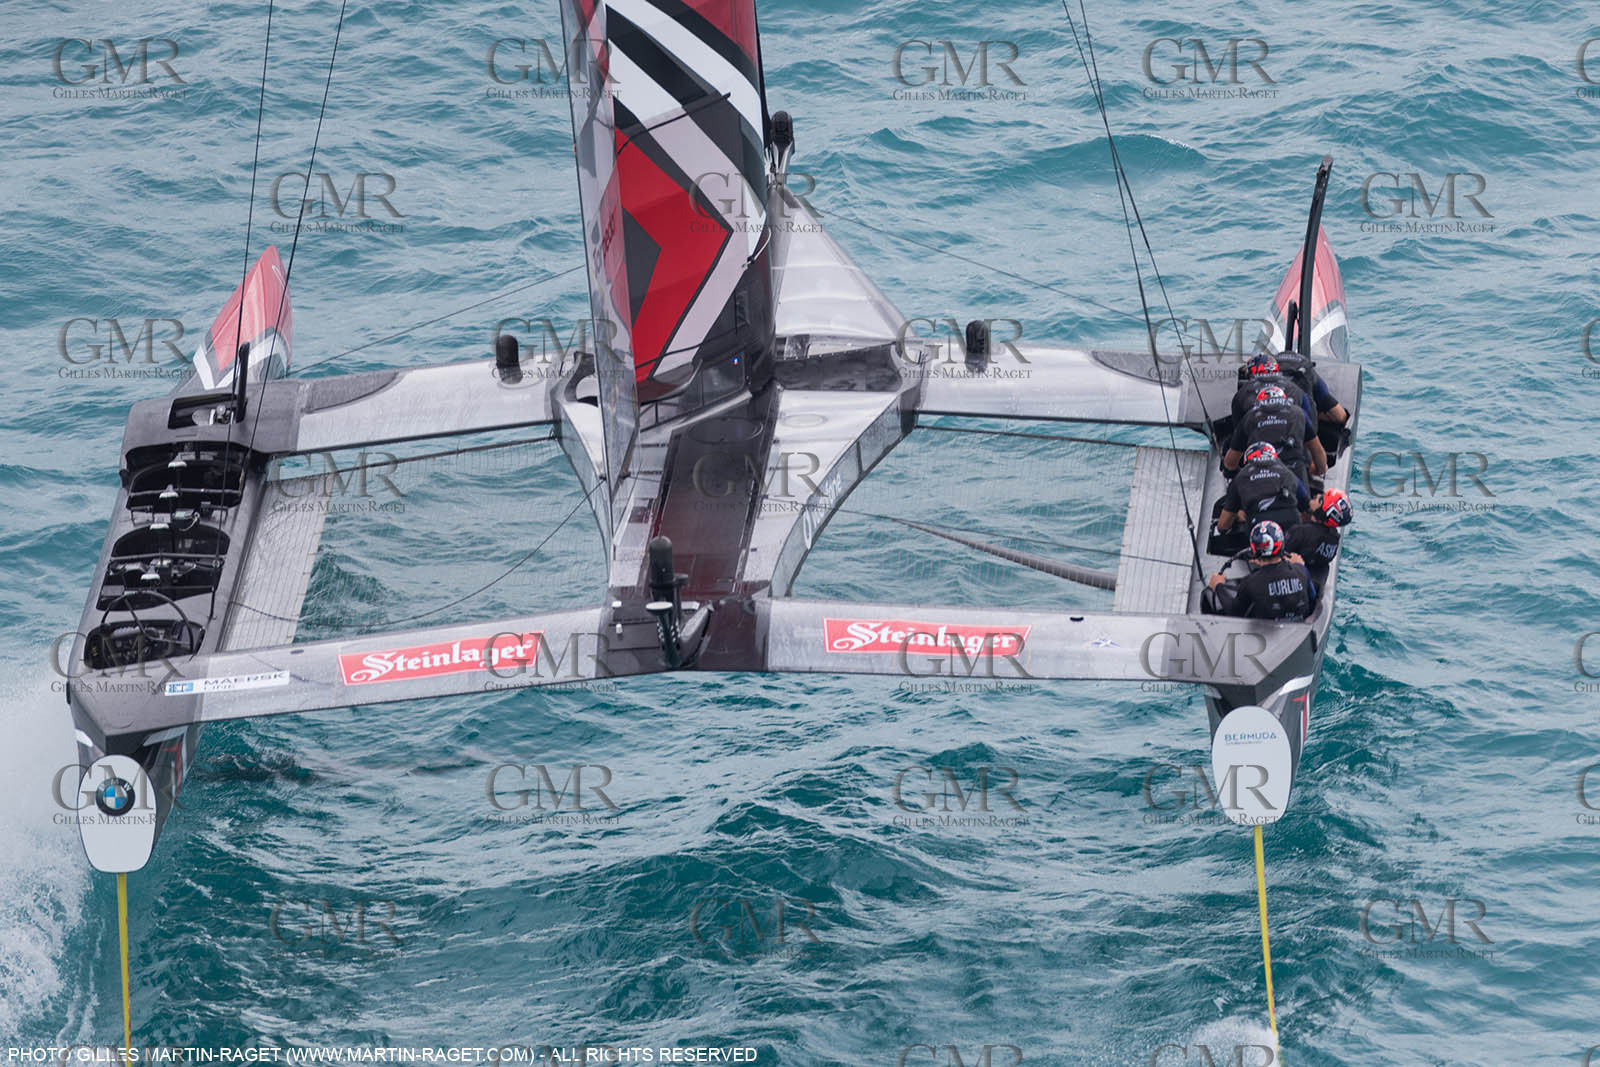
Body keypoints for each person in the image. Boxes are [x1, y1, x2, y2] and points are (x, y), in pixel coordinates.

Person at [1205, 520, 1317, 621]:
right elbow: (1313, 598)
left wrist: (1218, 586)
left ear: (1254, 550)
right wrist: (1298, 566)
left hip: (1266, 634)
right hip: (1299, 630)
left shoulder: (1251, 582)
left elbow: (1235, 612)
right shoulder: (1301, 570)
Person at [1223, 385, 1328, 488]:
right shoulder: (1299, 414)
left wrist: (1235, 475)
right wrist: (1319, 470)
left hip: (1258, 478)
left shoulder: (1249, 418)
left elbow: (1231, 462)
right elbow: (1317, 450)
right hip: (1295, 474)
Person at [1217, 441, 1309, 534]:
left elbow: (1223, 525)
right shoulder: (1288, 473)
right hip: (1291, 524)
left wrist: (1237, 516)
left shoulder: (1240, 478)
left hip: (1258, 527)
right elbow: (1306, 506)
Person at [1285, 487, 1352, 584]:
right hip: (1314, 584)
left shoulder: (1301, 532)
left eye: (1321, 500)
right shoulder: (1334, 538)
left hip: (1294, 580)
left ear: (1322, 512)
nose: (1317, 495)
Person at [1231, 353, 1315, 427]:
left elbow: (1237, 427)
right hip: (1292, 438)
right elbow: (1310, 422)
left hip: (1258, 440)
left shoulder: (1242, 394)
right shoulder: (1296, 389)